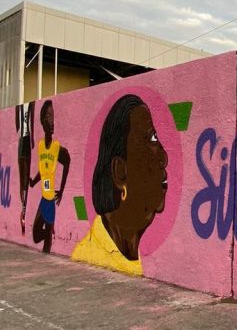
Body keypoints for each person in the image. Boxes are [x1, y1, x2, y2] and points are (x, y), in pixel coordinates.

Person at [71, 94, 168, 275]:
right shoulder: (92, 254)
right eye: (152, 139)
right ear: (120, 172)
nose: (164, 157)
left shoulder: (129, 258)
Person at [29, 100, 70, 253]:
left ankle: (50, 236)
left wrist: (62, 190)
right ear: (42, 120)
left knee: (46, 246)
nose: (52, 121)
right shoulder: (40, 146)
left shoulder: (56, 147)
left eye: (53, 117)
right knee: (35, 235)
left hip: (50, 199)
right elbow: (44, 169)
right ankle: (50, 233)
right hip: (42, 198)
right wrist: (33, 181)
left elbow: (68, 161)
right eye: (48, 116)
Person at [15, 101, 34, 234]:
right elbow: (17, 125)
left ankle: (24, 211)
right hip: (22, 141)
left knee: (26, 176)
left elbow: (32, 122)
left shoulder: (32, 104)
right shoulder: (19, 107)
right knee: (23, 178)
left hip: (27, 141)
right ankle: (23, 211)